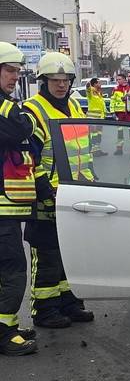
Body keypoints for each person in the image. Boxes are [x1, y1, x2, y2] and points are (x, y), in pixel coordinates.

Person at [23, 52, 96, 329]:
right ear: (43, 81)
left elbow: (84, 150)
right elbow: (28, 159)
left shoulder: (75, 106)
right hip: (47, 195)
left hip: (75, 192)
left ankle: (70, 302)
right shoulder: (33, 111)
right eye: (55, 80)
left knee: (70, 252)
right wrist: (43, 191)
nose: (61, 85)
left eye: (66, 80)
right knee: (47, 254)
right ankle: (44, 310)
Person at [0, 44, 39, 356]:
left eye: (17, 71)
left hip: (7, 208)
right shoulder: (4, 109)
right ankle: (3, 332)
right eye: (10, 70)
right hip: (1, 210)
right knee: (13, 270)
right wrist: (22, 116)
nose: (15, 76)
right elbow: (22, 127)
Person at [86, 77, 107, 157]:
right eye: (99, 83)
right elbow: (87, 89)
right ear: (94, 84)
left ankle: (97, 150)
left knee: (98, 134)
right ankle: (93, 151)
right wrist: (88, 85)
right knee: (93, 135)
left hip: (100, 117)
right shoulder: (91, 92)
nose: (100, 84)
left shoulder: (98, 93)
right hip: (93, 118)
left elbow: (102, 105)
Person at [110, 72, 129, 155]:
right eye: (117, 79)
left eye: (119, 79)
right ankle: (119, 149)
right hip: (120, 113)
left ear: (124, 79)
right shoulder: (115, 89)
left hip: (129, 112)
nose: (118, 81)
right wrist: (112, 112)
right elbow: (112, 101)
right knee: (119, 132)